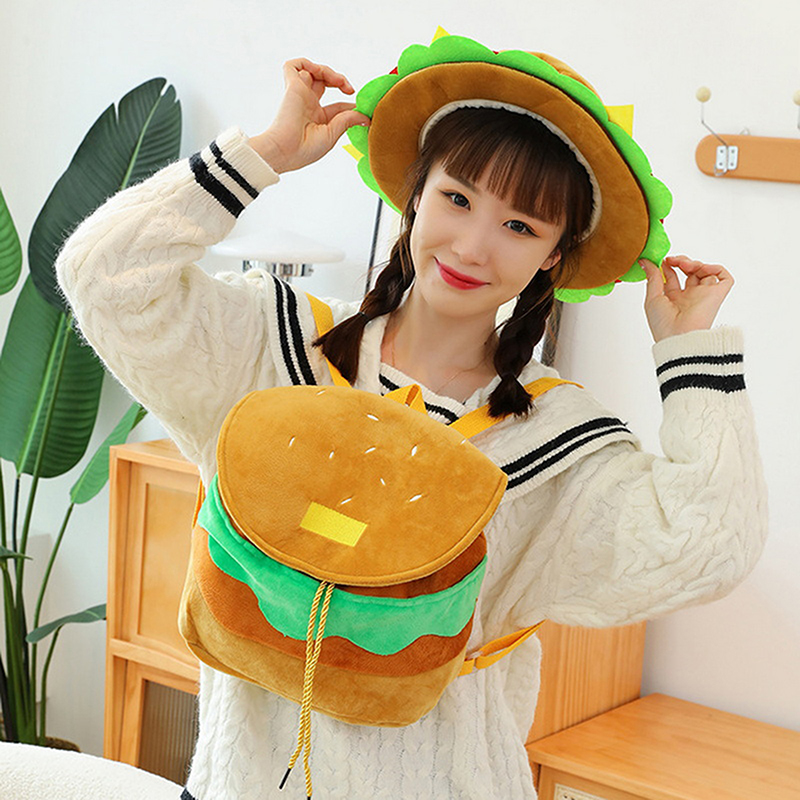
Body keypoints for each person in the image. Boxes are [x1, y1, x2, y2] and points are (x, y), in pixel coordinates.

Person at [56, 34, 766, 800]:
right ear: (416, 195)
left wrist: (689, 352)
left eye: (520, 226)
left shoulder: (556, 440)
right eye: (457, 199)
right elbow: (101, 275)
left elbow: (711, 544)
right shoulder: (273, 346)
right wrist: (265, 154)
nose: (472, 246)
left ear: (553, 257)